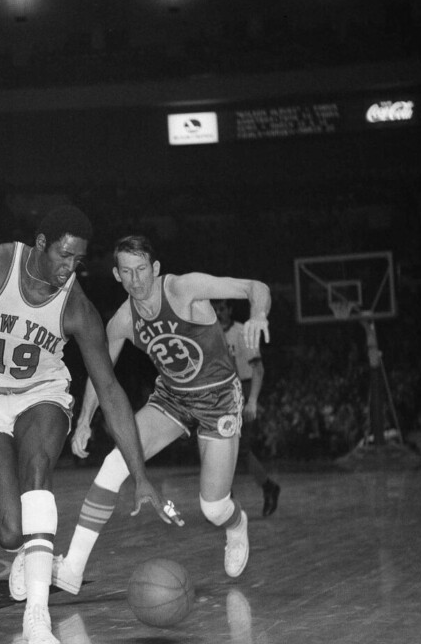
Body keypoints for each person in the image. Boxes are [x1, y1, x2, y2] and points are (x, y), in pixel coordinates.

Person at [0, 206, 166, 644]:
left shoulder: (77, 307)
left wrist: (139, 473)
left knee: (39, 469)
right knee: (10, 533)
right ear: (41, 244)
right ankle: (29, 552)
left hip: (39, 396)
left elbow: (109, 389)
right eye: (64, 256)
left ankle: (39, 617)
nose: (69, 268)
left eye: (77, 261)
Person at [66, 234, 270, 590]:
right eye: (127, 272)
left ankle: (236, 525)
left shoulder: (183, 289)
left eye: (142, 269)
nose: (136, 279)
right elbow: (101, 374)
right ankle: (72, 568)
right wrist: (83, 421)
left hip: (218, 398)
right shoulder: (122, 321)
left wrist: (258, 315)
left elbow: (255, 286)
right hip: (172, 398)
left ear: (155, 268)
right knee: (116, 463)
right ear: (117, 275)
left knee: (213, 507)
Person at [212, 298, 281, 516]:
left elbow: (258, 369)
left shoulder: (243, 332)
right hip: (219, 392)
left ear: (230, 310)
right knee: (216, 447)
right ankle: (230, 497)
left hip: (242, 388)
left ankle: (261, 489)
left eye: (222, 308)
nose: (218, 312)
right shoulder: (208, 335)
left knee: (238, 450)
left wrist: (252, 400)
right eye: (214, 309)